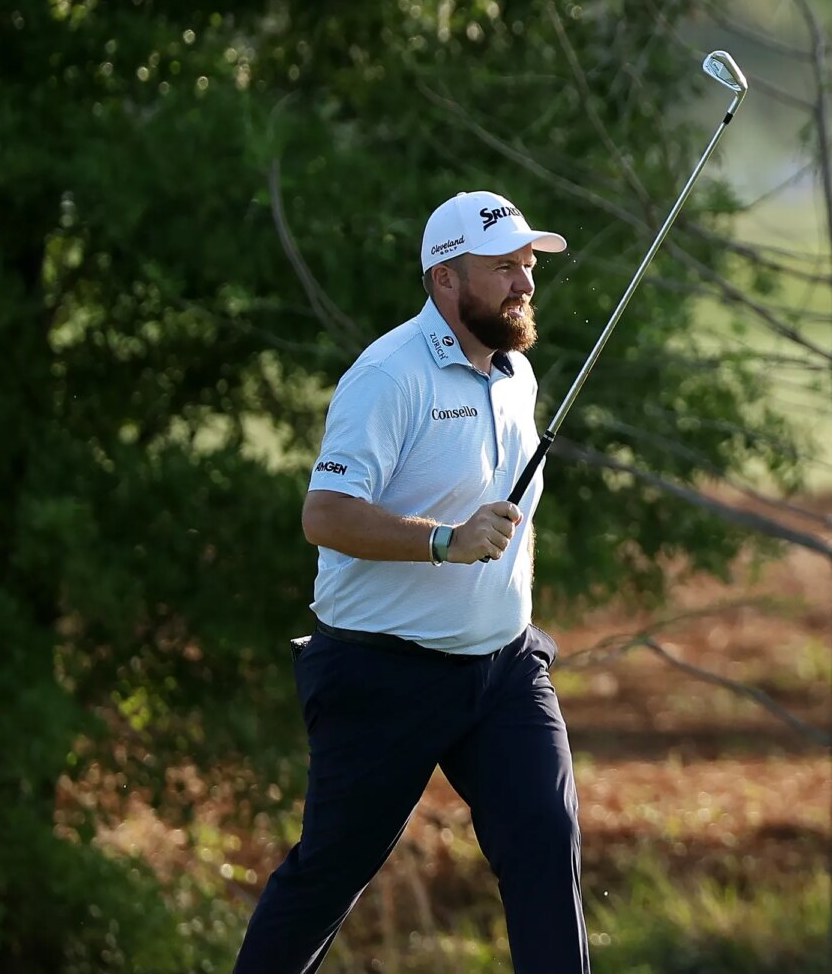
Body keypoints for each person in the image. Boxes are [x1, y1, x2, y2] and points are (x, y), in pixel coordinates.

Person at [233, 191, 587, 973]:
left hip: (502, 669)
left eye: (527, 264)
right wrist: (443, 542)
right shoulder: (387, 376)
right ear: (445, 283)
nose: (525, 283)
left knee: (545, 842)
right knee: (329, 875)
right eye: (504, 268)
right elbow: (324, 514)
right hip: (380, 672)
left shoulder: (517, 375)